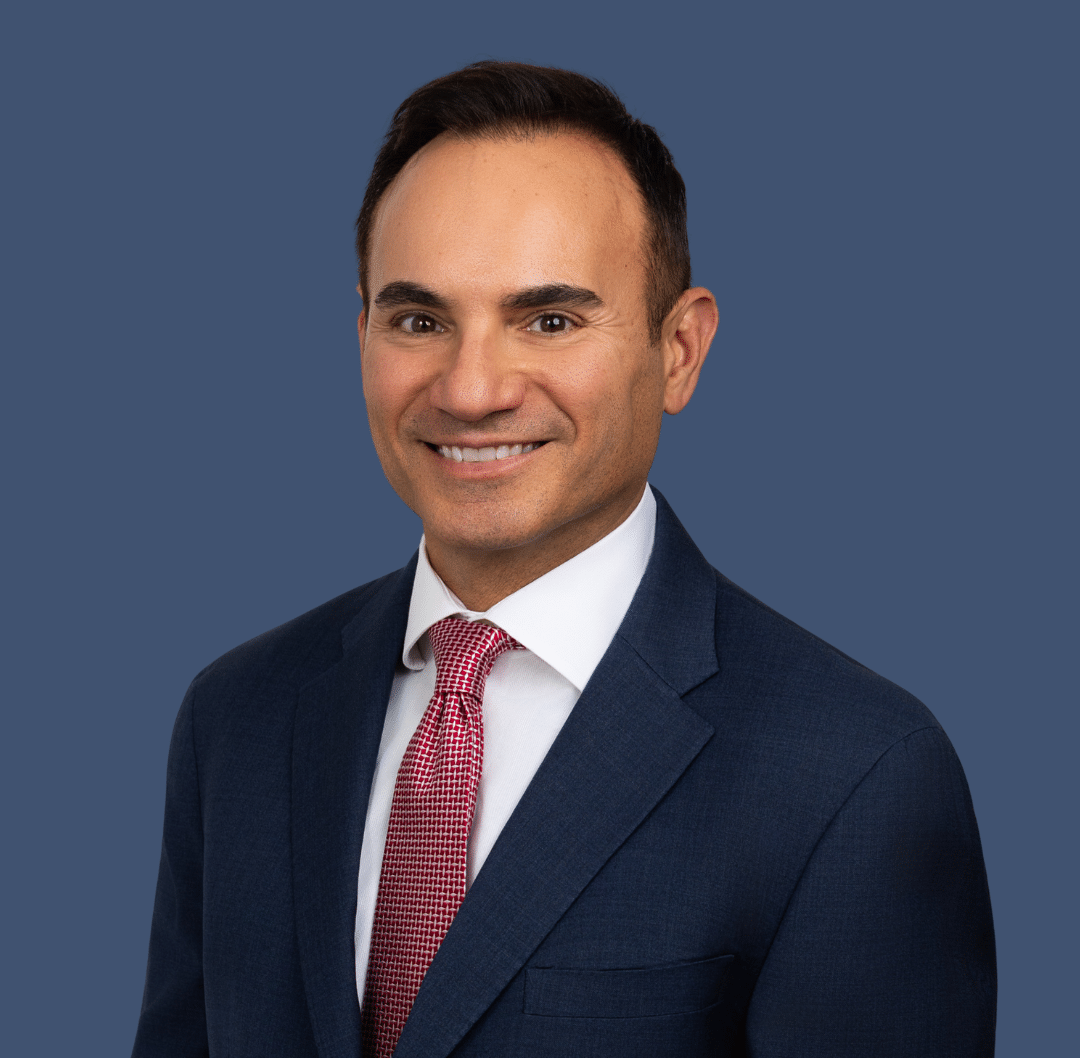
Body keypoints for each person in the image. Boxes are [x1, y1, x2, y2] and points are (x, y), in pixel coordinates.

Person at [132, 62, 995, 1058]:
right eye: (421, 321)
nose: (472, 388)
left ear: (680, 351)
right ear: (360, 336)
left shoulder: (857, 774)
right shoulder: (237, 718)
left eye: (549, 320)